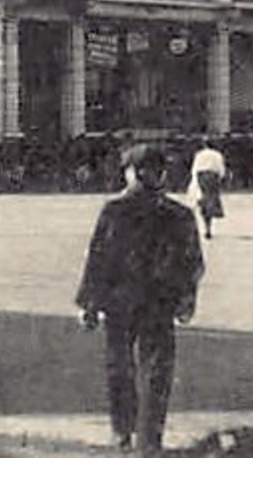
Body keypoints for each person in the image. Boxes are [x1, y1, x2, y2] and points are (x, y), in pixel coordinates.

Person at [76, 144, 205, 456]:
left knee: (120, 368)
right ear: (160, 175)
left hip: (119, 302)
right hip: (160, 303)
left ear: (132, 173)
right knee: (157, 371)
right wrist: (187, 299)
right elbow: (193, 263)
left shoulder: (113, 211)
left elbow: (98, 259)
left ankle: (122, 432)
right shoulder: (179, 214)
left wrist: (89, 304)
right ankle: (150, 441)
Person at [187, 139, 226, 240]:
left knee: (203, 202)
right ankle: (208, 228)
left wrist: (194, 181)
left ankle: (206, 227)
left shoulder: (199, 155)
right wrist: (220, 178)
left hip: (202, 177)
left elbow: (195, 169)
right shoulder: (217, 155)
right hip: (213, 178)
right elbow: (221, 169)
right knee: (211, 202)